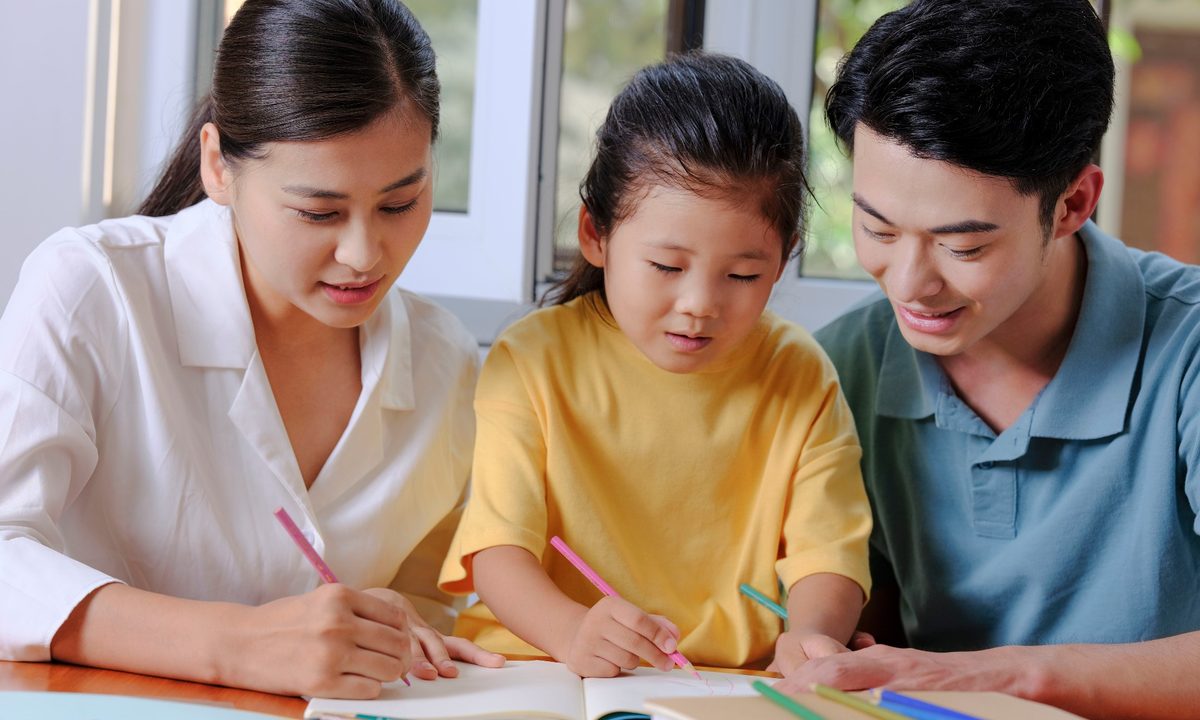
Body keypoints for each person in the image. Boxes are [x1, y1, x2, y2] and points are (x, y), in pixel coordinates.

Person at [0, 0, 504, 700]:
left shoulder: (445, 362)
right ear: (218, 166)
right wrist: (234, 647)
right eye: (318, 212)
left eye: (399, 204)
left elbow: (421, 594)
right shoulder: (93, 291)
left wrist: (400, 628)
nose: (364, 255)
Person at [783, 1, 1200, 717]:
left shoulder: (1186, 349)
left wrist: (1007, 678)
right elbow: (863, 622)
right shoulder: (841, 366)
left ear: (1073, 204)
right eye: (876, 227)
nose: (911, 284)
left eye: (963, 246)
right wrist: (815, 644)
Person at [437, 52, 872, 678]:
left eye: (743, 275)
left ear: (784, 261)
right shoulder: (532, 359)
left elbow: (828, 553)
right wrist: (571, 631)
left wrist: (808, 639)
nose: (699, 306)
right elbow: (496, 548)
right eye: (667, 267)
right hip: (544, 665)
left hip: (727, 682)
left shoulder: (799, 373)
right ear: (597, 235)